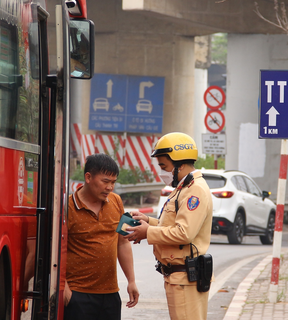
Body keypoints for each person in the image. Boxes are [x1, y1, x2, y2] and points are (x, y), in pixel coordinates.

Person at [126, 132, 213, 320]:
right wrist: (148, 221)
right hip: (178, 277)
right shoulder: (183, 188)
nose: (162, 172)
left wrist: (147, 232)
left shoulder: (194, 190)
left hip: (184, 278)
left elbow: (184, 233)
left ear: (180, 165)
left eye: (164, 166)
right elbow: (174, 224)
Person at [64, 153, 139, 319]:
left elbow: (123, 243)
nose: (110, 187)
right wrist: (65, 288)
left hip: (111, 294)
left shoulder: (117, 201)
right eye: (105, 181)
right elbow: (55, 250)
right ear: (88, 177)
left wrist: (131, 281)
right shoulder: (66, 206)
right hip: (78, 295)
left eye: (113, 182)